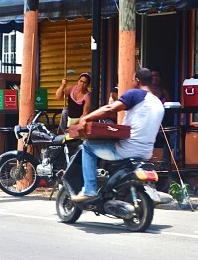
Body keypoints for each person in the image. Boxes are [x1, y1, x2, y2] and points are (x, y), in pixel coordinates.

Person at [71, 67, 166, 203]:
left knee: (87, 147)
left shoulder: (135, 94)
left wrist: (86, 118)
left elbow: (110, 108)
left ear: (137, 80)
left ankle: (89, 190)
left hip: (127, 150)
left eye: (134, 79)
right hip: (146, 153)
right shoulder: (158, 102)